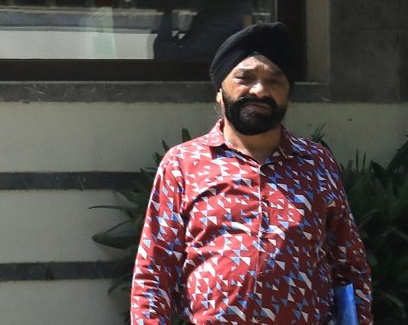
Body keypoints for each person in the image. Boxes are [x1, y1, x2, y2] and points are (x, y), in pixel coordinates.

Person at [131, 22, 372, 324]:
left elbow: (349, 268)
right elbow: (155, 272)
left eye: (275, 80)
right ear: (220, 92)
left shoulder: (316, 164)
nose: (260, 90)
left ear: (289, 95)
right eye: (245, 78)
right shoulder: (184, 164)